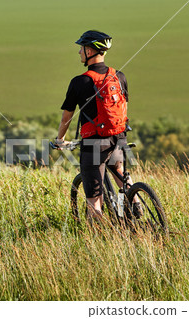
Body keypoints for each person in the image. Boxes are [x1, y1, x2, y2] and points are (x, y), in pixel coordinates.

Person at [54, 30, 142, 222]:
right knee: (119, 170)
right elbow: (124, 108)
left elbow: (66, 118)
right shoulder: (119, 76)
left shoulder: (79, 82)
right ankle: (135, 200)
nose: (79, 52)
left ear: (90, 51)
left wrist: (59, 140)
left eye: (81, 48)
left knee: (94, 199)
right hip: (119, 138)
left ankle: (98, 238)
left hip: (94, 143)